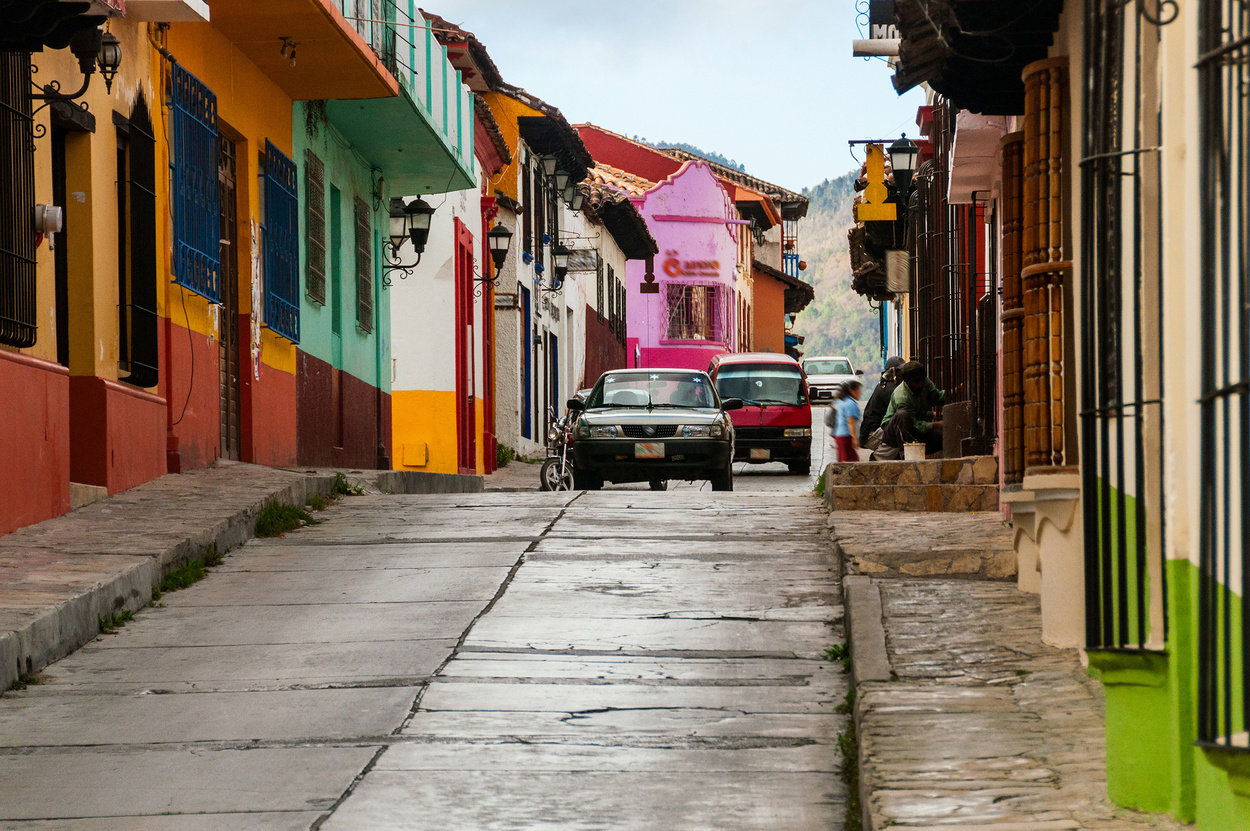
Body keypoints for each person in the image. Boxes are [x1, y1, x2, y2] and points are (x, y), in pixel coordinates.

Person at [878, 361, 945, 458]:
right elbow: (916, 425)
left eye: (922, 380)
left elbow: (937, 397)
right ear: (907, 382)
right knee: (902, 415)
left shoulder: (925, 382)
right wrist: (937, 424)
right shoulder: (902, 397)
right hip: (894, 432)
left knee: (942, 438)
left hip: (915, 428)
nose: (920, 385)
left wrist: (955, 393)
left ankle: (917, 453)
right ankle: (904, 455)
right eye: (916, 382)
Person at [859, 355, 904, 446]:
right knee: (899, 438)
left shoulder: (888, 384)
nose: (903, 374)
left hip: (877, 429)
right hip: (872, 433)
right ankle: (878, 457)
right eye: (900, 371)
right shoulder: (889, 389)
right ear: (893, 372)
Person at [825, 380, 863, 462]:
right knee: (851, 462)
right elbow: (851, 422)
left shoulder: (840, 401)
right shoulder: (850, 403)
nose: (860, 393)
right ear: (852, 391)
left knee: (844, 460)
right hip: (846, 436)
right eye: (858, 390)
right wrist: (855, 438)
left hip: (839, 435)